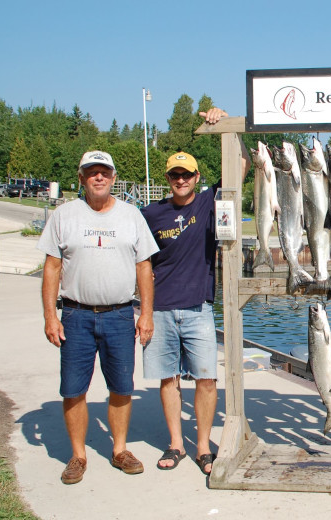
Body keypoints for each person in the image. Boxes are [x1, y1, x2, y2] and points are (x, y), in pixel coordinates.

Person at [38, 150, 158, 485]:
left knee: (121, 386)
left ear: (114, 178)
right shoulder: (64, 216)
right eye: (92, 172)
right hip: (75, 316)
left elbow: (144, 267)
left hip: (120, 315)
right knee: (73, 389)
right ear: (81, 178)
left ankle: (120, 450)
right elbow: (52, 268)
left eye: (104, 171)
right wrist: (51, 316)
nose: (99, 177)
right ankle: (77, 456)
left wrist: (145, 314)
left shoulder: (131, 216)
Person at [140, 108, 248, 475]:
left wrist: (229, 125)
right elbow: (136, 259)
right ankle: (175, 444)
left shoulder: (207, 202)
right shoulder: (151, 214)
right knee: (167, 378)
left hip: (199, 309)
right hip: (159, 310)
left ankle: (202, 446)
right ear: (168, 178)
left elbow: (243, 164)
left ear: (196, 177)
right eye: (175, 174)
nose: (180, 180)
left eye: (187, 174)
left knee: (206, 378)